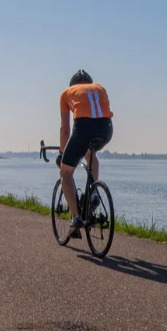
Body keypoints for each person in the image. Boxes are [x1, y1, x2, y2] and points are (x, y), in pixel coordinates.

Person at [58, 69, 114, 234]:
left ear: (72, 85)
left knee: (66, 173)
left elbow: (65, 130)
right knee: (90, 153)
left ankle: (75, 218)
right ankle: (94, 191)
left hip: (83, 128)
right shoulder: (100, 88)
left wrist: (63, 153)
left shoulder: (66, 93)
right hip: (106, 130)